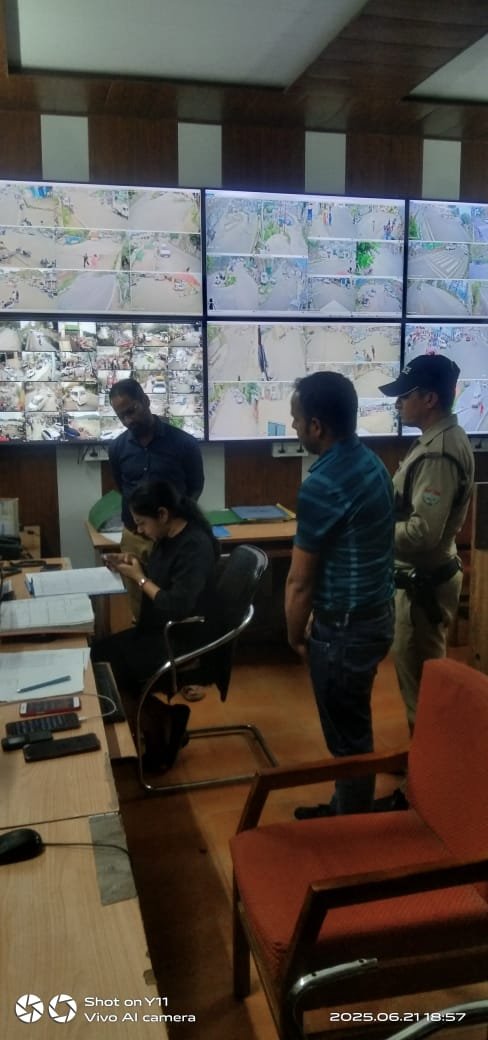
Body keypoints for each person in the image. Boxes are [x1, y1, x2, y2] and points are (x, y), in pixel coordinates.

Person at [285, 372, 395, 818]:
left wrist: (294, 634)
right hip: (376, 616)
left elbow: (299, 581)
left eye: (296, 419)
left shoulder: (322, 483)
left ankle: (351, 831)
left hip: (345, 633)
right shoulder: (371, 462)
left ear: (316, 426)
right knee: (352, 725)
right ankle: (344, 809)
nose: (293, 427)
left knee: (348, 740)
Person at [91, 480, 220, 770]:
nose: (139, 530)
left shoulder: (195, 545)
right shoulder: (168, 536)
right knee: (98, 655)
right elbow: (163, 578)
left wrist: (139, 578)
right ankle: (163, 718)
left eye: (142, 523)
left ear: (163, 514)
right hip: (163, 629)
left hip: (185, 637)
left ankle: (160, 729)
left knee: (108, 668)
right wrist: (133, 563)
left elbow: (176, 604)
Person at [379, 355, 475, 736]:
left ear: (430, 399)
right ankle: (425, 756)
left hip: (423, 587)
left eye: (405, 396)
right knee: (421, 686)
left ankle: (427, 769)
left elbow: (422, 533)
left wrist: (374, 533)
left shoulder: (439, 453)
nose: (398, 404)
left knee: (423, 695)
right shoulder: (437, 441)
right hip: (424, 580)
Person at [108, 377, 204, 619]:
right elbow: (123, 488)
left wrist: (171, 525)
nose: (128, 420)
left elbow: (195, 487)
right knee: (139, 608)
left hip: (173, 540)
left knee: (171, 606)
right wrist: (142, 523)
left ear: (145, 400)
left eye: (131, 411)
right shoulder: (117, 448)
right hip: (134, 537)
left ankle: (170, 643)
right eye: (121, 416)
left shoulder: (184, 444)